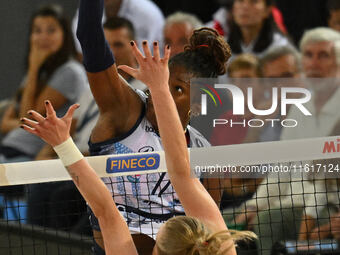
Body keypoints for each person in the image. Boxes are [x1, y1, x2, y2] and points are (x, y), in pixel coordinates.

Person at [20, 41, 255, 254]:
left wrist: (62, 142)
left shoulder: (222, 247)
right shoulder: (220, 249)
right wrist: (63, 145)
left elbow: (107, 209)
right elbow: (107, 208)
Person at [76, 0, 229, 253]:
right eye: (162, 81)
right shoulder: (125, 109)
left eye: (177, 89)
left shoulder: (204, 152)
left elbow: (210, 238)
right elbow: (89, 35)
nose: (162, 94)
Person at [0, 4, 87, 164]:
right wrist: (35, 70)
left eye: (51, 30)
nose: (43, 37)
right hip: (9, 150)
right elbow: (4, 123)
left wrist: (33, 67)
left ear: (64, 34)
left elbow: (27, 116)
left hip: (32, 157)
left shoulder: (70, 72)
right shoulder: (41, 70)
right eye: (37, 30)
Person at [72, 0, 165, 55]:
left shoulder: (148, 14)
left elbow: (147, 58)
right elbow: (82, 54)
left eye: (117, 45)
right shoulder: (85, 11)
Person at [103, 17, 146, 91]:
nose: (111, 52)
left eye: (118, 45)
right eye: (105, 45)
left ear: (134, 46)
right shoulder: (95, 84)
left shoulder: (148, 88)